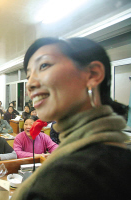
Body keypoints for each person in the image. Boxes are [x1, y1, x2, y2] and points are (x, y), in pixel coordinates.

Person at [11, 37, 131, 200]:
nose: (30, 84)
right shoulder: (111, 152)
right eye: (28, 75)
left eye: (44, 65)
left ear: (92, 74)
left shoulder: (73, 178)